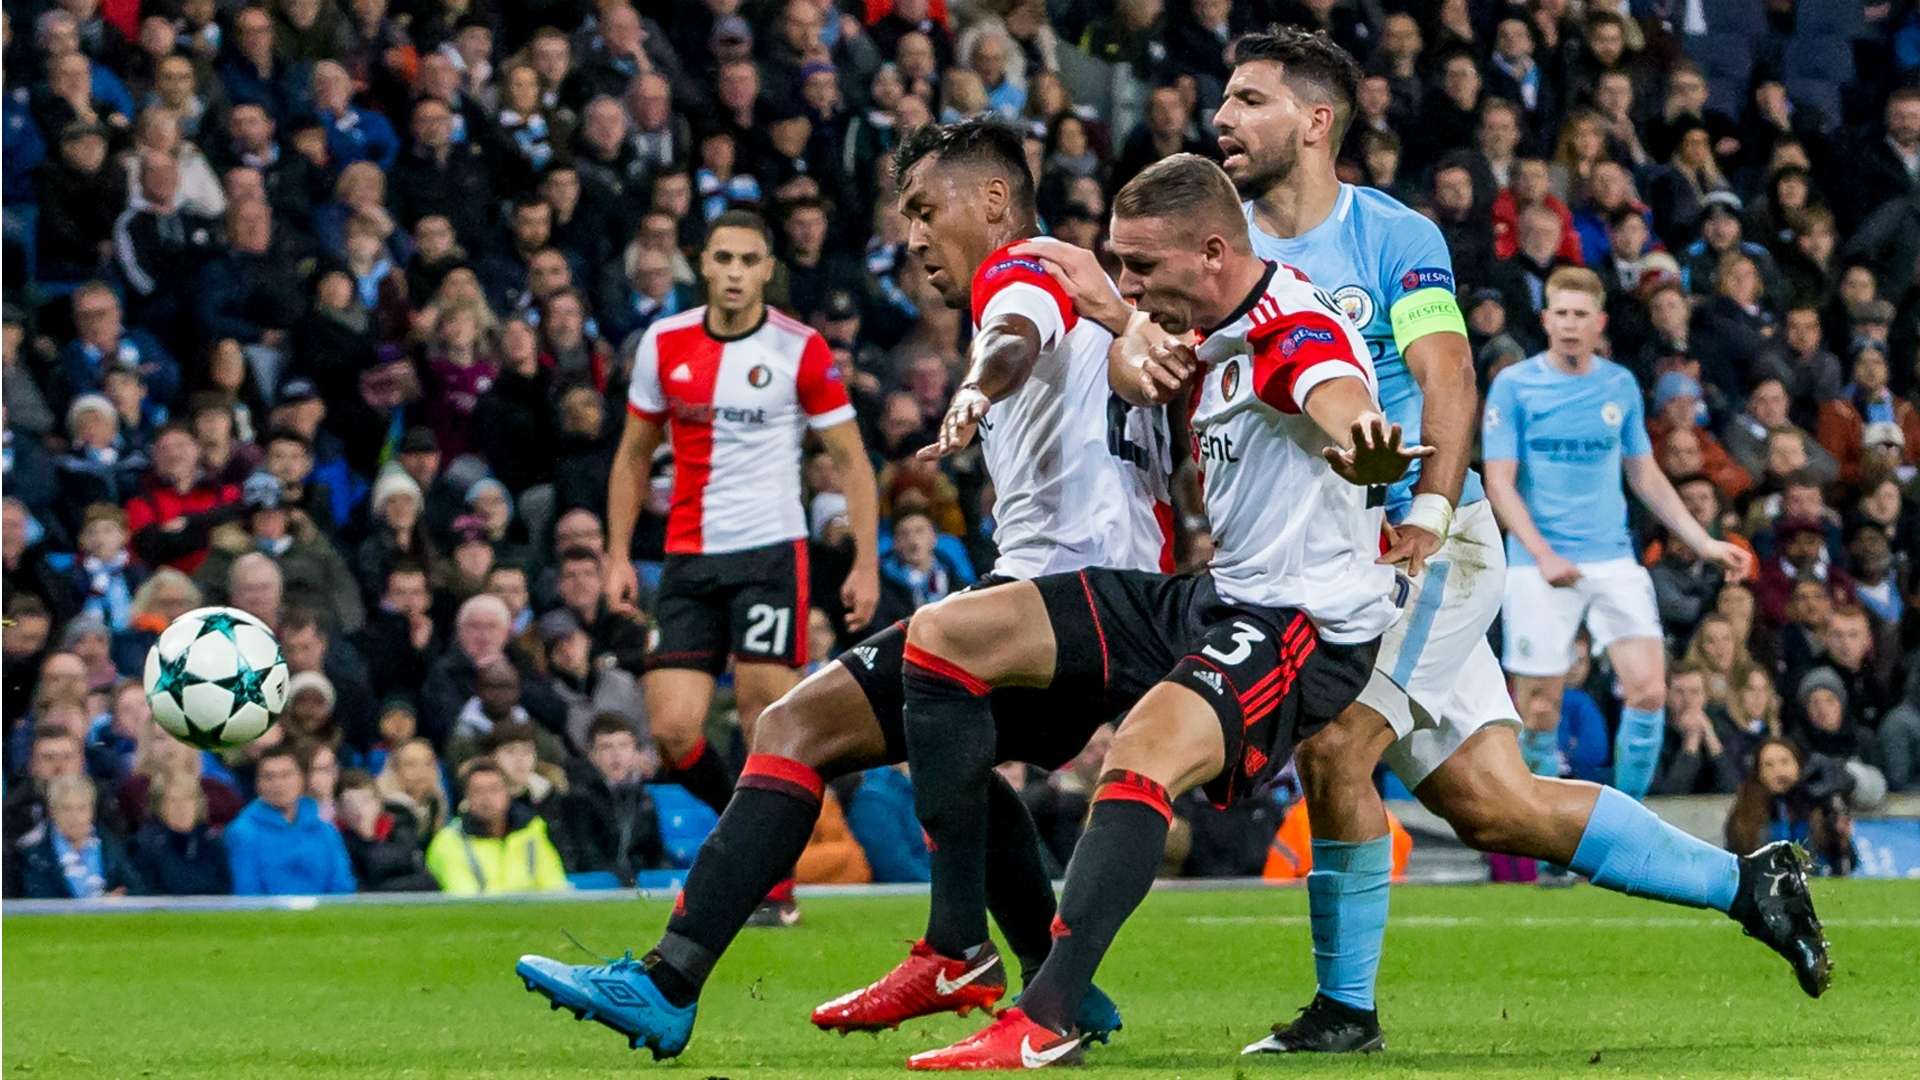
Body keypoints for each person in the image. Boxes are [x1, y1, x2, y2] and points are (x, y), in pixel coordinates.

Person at [1033, 29, 1832, 1055]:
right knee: (1495, 806)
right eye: (1224, 100)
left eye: (1248, 99)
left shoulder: (1390, 236)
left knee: (1337, 741)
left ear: (1316, 122)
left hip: (1416, 549)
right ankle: (1746, 882)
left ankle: (1345, 1013)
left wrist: (1430, 512)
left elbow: (1448, 376)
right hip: (1316, 561)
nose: (1221, 117)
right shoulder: (1218, 252)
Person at [513, 118, 1173, 1058]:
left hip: (1066, 599)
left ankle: (891, 959)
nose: (910, 237)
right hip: (1104, 604)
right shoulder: (1097, 287)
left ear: (991, 202)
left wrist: (979, 387)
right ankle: (1056, 987)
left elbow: (1013, 332)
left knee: (798, 724)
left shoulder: (1022, 269)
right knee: (928, 748)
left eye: (922, 209)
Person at [898, 152, 1417, 1070]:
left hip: (1299, 625)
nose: (1130, 288)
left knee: (1140, 753)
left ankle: (1048, 1014)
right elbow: (1133, 329)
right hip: (1215, 597)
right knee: (947, 634)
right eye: (1119, 264)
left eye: (1142, 267)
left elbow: (1331, 389)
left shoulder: (1290, 328)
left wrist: (1364, 443)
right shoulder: (1211, 327)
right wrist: (1106, 304)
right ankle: (956, 941)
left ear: (1213, 253)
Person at [600, 210, 882, 837]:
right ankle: (750, 840)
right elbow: (633, 455)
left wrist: (866, 561)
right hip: (687, 556)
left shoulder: (798, 348)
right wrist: (617, 553)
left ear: (767, 270)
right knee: (672, 730)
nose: (734, 273)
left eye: (748, 261)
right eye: (723, 259)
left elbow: (852, 463)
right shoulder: (663, 341)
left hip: (769, 553)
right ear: (702, 263)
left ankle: (767, 876)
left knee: (766, 718)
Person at [223, 745, 357, 896]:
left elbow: (342, 888)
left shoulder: (326, 831)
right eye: (269, 777)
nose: (278, 784)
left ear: (302, 779)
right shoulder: (243, 832)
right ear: (258, 784)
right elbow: (247, 893)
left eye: (286, 775)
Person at [424, 757, 569, 895]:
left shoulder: (533, 832)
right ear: (466, 797)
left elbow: (555, 886)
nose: (486, 798)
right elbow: (463, 900)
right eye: (478, 791)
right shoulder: (448, 842)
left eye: (494, 789)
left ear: (507, 793)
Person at [551, 714, 662, 886]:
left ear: (635, 752)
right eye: (606, 747)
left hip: (635, 885)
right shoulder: (578, 798)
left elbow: (654, 852)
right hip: (596, 886)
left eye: (624, 746)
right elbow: (585, 854)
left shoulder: (644, 797)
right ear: (592, 755)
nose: (616, 755)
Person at [6, 773, 146, 899]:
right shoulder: (34, 854)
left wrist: (120, 898)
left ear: (92, 811)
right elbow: (37, 897)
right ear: (52, 812)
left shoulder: (110, 844)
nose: (75, 817)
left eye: (82, 808)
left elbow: (138, 889)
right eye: (66, 808)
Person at [131, 767, 231, 895]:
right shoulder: (147, 846)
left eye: (188, 799)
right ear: (160, 806)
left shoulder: (213, 844)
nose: (181, 807)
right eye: (173, 800)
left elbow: (224, 890)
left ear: (199, 804)